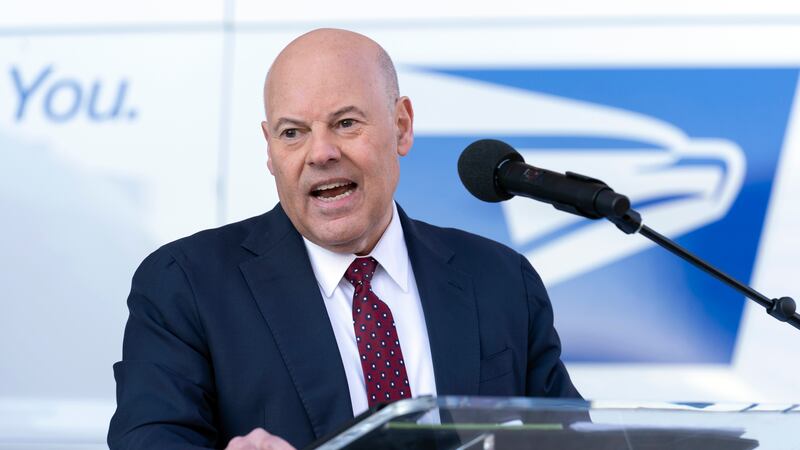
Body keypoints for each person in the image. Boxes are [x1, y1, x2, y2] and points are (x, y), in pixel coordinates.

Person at [108, 28, 580, 450]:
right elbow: (149, 437)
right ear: (269, 149)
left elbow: (574, 439)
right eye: (293, 132)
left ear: (401, 126)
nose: (321, 153)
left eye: (346, 123)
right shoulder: (186, 284)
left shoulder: (500, 278)